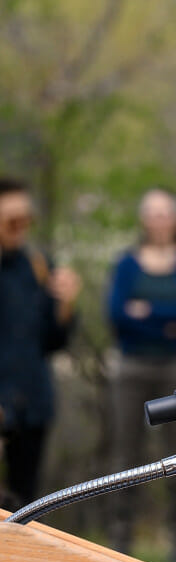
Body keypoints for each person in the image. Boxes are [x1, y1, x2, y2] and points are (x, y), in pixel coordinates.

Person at [106, 187, 176, 562]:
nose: (159, 220)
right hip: (132, 368)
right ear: (143, 219)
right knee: (125, 453)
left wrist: (145, 312)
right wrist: (168, 317)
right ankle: (121, 539)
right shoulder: (126, 265)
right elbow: (117, 316)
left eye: (166, 212)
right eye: (152, 212)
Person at [0, 178, 81, 510]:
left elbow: (53, 341)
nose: (22, 228)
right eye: (12, 220)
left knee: (26, 503)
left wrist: (66, 306)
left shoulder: (38, 264)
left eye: (26, 219)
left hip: (31, 402)